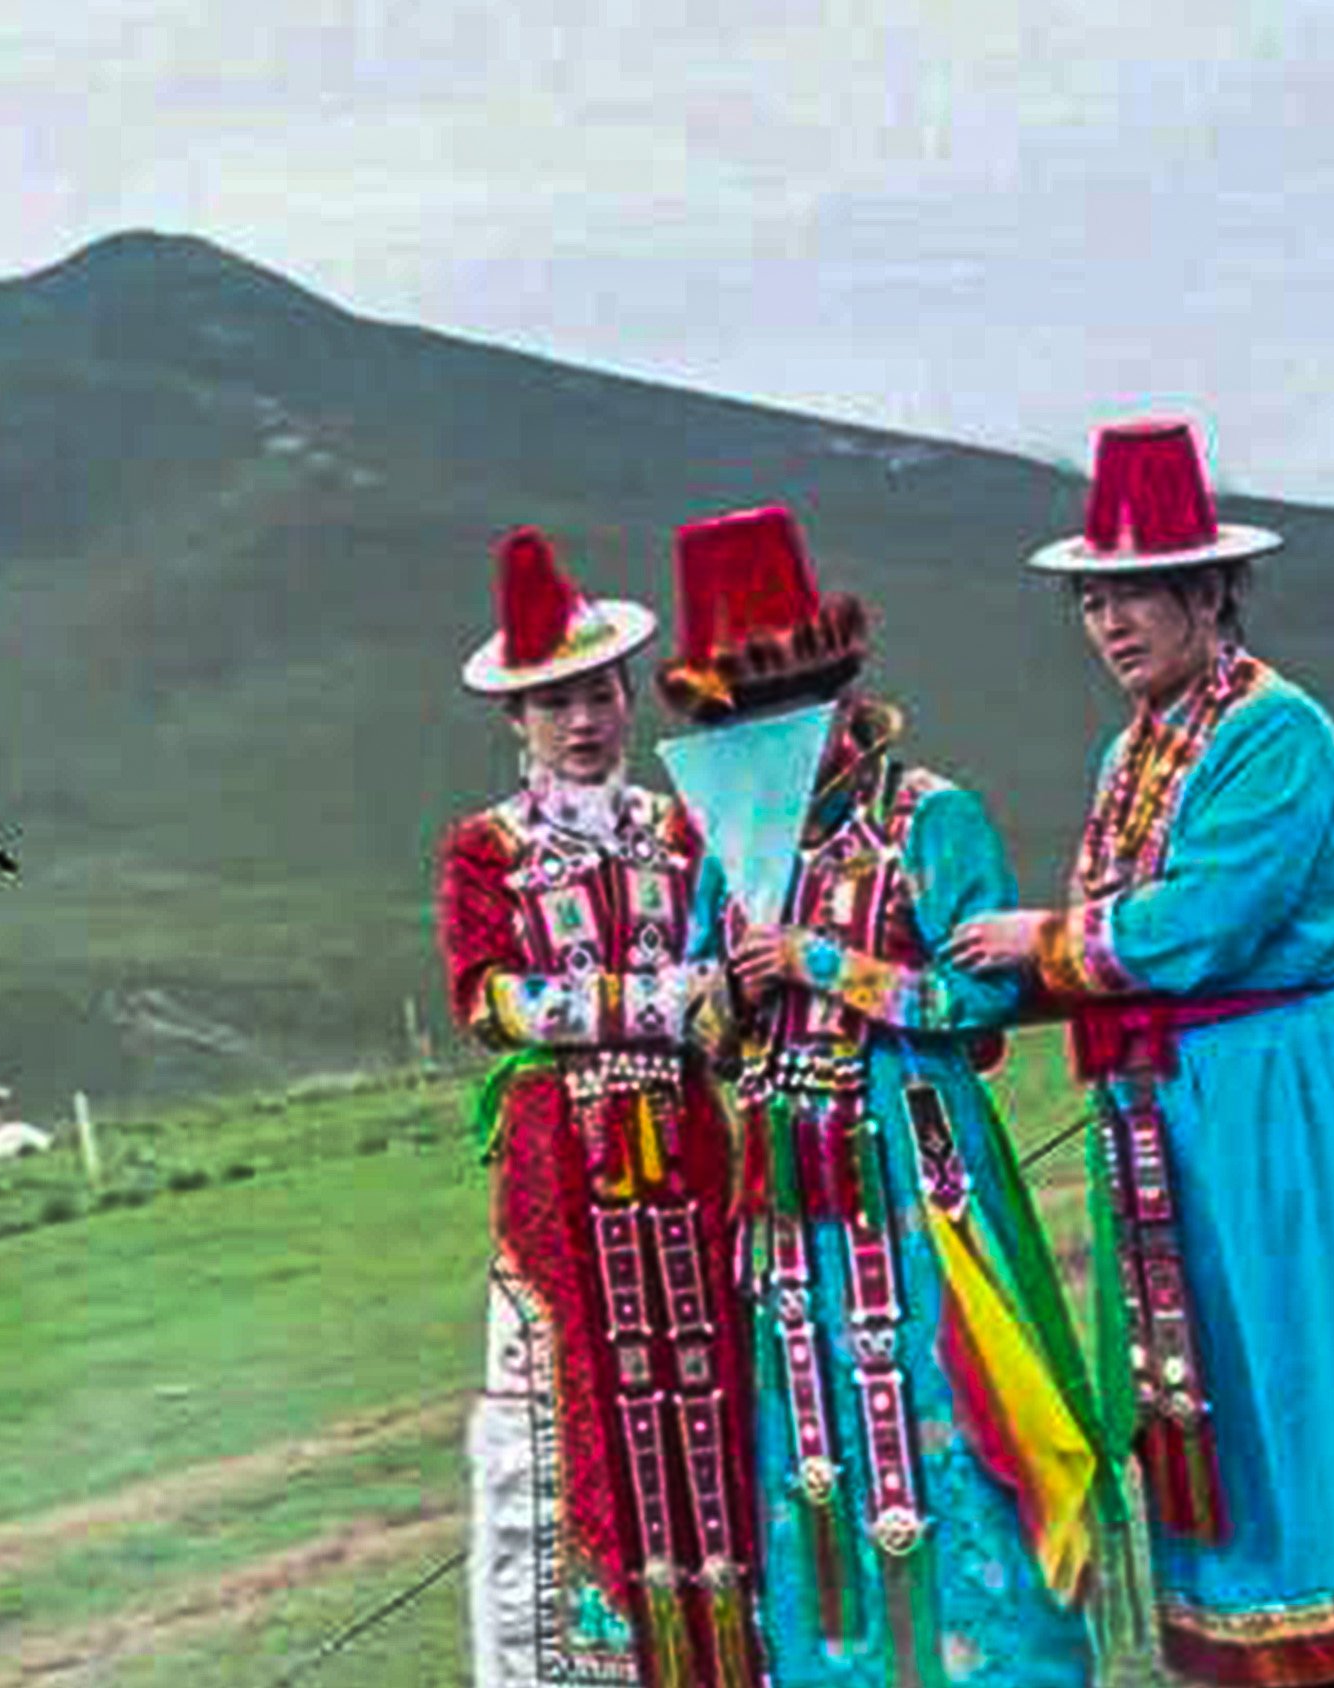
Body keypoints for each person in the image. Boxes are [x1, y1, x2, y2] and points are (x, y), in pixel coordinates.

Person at [948, 418, 1334, 1688]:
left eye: (1138, 597)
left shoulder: (1276, 733)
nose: (1114, 626)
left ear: (1210, 590)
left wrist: (1036, 940)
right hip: (1178, 1109)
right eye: (1094, 603)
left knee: (1314, 1349)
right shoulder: (1135, 748)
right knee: (1215, 1374)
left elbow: (1195, 927)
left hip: (1280, 1097)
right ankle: (1262, 1631)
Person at [660, 506, 1103, 1688]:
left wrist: (822, 964)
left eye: (782, 707)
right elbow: (704, 1023)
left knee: (947, 1414)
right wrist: (729, 997)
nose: (761, 736)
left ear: (837, 686)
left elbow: (984, 1001)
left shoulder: (929, 815)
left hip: (918, 1181)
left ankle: (1006, 1668)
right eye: (735, 720)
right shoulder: (729, 847)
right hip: (784, 1197)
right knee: (814, 1442)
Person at [436, 527, 762, 1688]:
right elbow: (489, 997)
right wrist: (660, 1000)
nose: (583, 720)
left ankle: (738, 1649)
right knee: (573, 1398)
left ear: (628, 700)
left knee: (717, 1376)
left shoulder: (687, 831)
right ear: (517, 720)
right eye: (554, 700)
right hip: (560, 1170)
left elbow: (730, 993)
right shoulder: (484, 851)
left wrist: (698, 1006)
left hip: (688, 1152)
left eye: (600, 693)